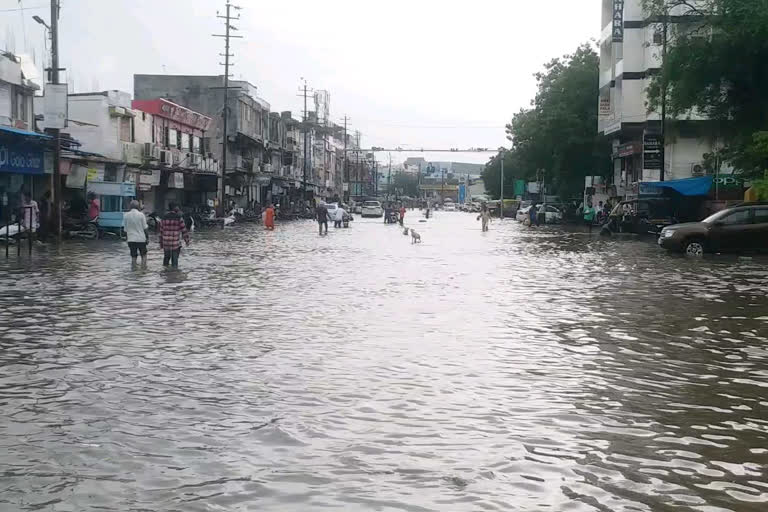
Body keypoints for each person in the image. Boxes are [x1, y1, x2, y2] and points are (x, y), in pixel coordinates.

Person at [159, 202, 190, 268]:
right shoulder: (179, 218)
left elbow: (161, 231)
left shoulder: (163, 218)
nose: (178, 208)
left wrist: (161, 243)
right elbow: (184, 230)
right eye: (177, 207)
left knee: (166, 259)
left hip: (166, 242)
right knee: (175, 260)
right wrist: (187, 241)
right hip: (175, 243)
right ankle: (174, 275)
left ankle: (165, 273)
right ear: (174, 208)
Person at [123, 200, 149, 268]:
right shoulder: (141, 215)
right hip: (141, 239)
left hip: (131, 239)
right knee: (144, 255)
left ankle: (134, 270)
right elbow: (145, 228)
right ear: (138, 207)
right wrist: (147, 238)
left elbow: (125, 230)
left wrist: (127, 239)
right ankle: (143, 270)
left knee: (133, 256)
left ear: (130, 207)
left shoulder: (126, 215)